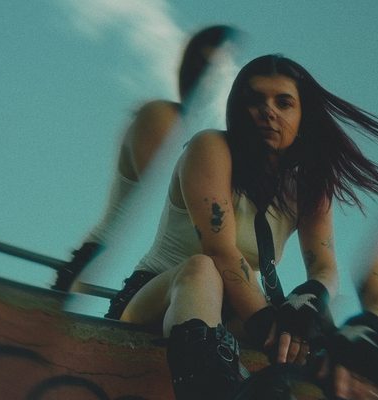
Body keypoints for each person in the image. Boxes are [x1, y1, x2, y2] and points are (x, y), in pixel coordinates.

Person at [110, 54, 378, 399]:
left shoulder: (309, 185)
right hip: (158, 299)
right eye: (254, 100)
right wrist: (271, 325)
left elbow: (323, 267)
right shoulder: (211, 147)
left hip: (237, 316)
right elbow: (220, 251)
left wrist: (308, 306)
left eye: (284, 102)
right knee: (203, 269)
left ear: (303, 117)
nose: (268, 111)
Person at [51, 25, 239, 302]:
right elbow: (161, 205)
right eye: (203, 65)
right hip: (110, 273)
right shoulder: (165, 117)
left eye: (219, 70)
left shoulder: (213, 144)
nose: (208, 78)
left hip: (175, 283)